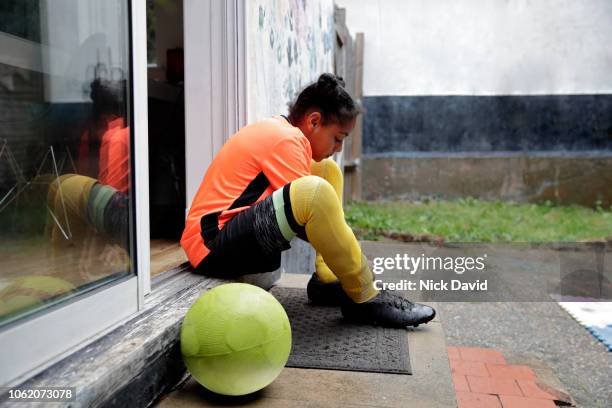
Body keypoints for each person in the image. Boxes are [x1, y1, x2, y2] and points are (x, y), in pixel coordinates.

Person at [181, 73, 435, 327]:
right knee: (314, 193)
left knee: (327, 172)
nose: (338, 149)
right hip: (213, 246)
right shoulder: (288, 140)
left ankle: (327, 279)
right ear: (314, 121)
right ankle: (366, 296)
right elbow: (312, 215)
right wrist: (360, 268)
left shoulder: (283, 132)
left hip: (222, 238)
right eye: (338, 138)